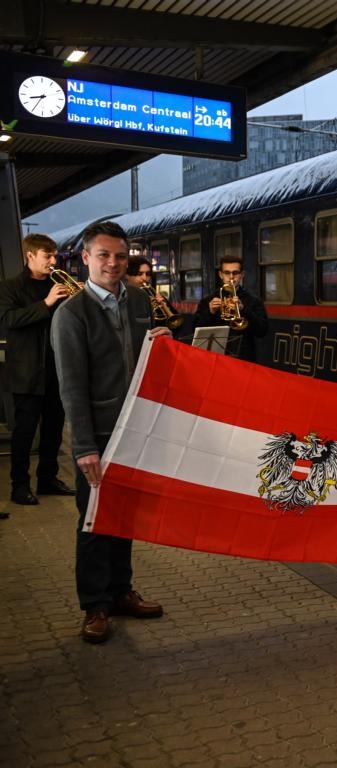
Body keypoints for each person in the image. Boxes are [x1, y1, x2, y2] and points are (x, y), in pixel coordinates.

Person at [51, 220, 172, 644]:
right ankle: (95, 605)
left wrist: (162, 341)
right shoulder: (71, 314)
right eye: (103, 255)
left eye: (120, 256)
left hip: (136, 428)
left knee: (125, 515)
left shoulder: (139, 301)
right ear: (85, 258)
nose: (113, 263)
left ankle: (121, 591)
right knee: (94, 520)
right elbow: (71, 386)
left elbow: (142, 360)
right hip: (99, 434)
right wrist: (83, 447)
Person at [0, 233, 78, 507]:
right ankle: (19, 487)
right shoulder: (10, 287)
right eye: (48, 256)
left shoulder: (58, 284)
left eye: (55, 255)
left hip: (57, 369)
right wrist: (46, 303)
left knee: (54, 430)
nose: (54, 261)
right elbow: (9, 320)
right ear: (30, 256)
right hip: (26, 371)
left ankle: (48, 479)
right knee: (24, 433)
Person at [192, 255, 268, 362]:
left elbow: (262, 330)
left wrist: (244, 309)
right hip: (215, 360)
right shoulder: (208, 301)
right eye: (227, 273)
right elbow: (194, 330)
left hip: (244, 359)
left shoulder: (253, 301)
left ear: (242, 275)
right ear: (220, 275)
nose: (231, 277)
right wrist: (210, 312)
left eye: (235, 273)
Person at [126, 254, 180, 329]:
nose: (145, 278)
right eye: (139, 274)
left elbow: (176, 325)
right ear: (127, 276)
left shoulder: (155, 296)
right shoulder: (124, 298)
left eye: (148, 274)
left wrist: (165, 306)